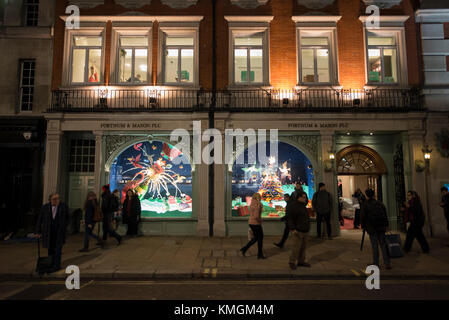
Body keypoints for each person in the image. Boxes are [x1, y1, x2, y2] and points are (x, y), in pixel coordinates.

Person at [35, 193, 69, 273]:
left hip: (59, 232)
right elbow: (40, 219)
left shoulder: (63, 206)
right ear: (50, 200)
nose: (56, 201)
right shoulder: (45, 207)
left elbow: (67, 218)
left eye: (57, 199)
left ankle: (56, 266)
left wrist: (64, 227)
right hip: (49, 232)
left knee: (58, 249)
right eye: (54, 199)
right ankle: (51, 264)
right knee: (50, 249)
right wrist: (37, 231)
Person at [360, 188, 391, 270]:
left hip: (372, 228)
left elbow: (362, 217)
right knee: (383, 245)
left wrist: (363, 226)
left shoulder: (365, 204)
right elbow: (385, 215)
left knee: (374, 245)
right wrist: (387, 226)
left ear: (366, 195)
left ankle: (376, 263)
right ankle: (387, 263)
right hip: (381, 227)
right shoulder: (380, 203)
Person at [287, 192, 311, 269]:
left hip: (305, 230)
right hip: (298, 230)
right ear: (299, 198)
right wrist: (293, 229)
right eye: (303, 197)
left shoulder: (303, 206)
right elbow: (290, 218)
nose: (305, 199)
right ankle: (292, 262)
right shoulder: (294, 206)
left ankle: (301, 261)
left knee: (303, 248)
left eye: (305, 197)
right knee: (296, 248)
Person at [240, 193, 266, 259]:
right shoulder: (258, 204)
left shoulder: (252, 203)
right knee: (260, 238)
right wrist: (260, 220)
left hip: (251, 223)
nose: (260, 198)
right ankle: (259, 254)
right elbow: (256, 216)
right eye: (260, 197)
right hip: (256, 223)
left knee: (256, 238)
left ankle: (245, 248)